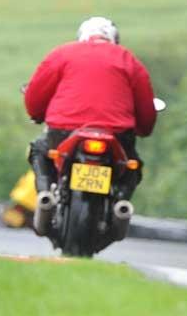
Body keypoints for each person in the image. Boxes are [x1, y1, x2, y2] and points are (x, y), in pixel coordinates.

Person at [24, 17, 157, 206]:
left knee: (39, 150)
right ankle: (120, 204)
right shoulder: (127, 59)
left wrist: (36, 114)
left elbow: (36, 94)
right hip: (117, 134)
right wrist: (144, 128)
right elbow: (145, 105)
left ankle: (45, 194)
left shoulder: (62, 53)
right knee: (132, 166)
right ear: (114, 40)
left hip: (63, 130)